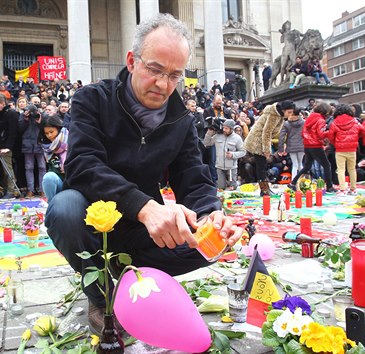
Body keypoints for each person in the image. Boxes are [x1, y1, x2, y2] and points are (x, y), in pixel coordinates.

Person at [44, 14, 243, 334]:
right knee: (64, 209)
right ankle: (101, 295)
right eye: (154, 69)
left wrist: (211, 215)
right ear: (132, 61)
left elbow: (193, 176)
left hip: (144, 231)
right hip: (94, 219)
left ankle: (127, 273)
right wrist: (144, 207)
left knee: (210, 245)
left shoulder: (180, 120)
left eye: (175, 75)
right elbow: (83, 163)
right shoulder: (93, 99)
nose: (163, 84)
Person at [244, 100, 296, 195]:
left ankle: (265, 189)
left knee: (262, 166)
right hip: (257, 141)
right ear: (283, 110)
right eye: (289, 112)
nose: (290, 115)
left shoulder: (278, 114)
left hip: (261, 141)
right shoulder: (274, 115)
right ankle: (264, 190)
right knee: (261, 167)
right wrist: (267, 150)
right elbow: (266, 133)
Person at [288, 102, 337, 192]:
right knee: (327, 165)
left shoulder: (309, 118)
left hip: (307, 145)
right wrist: (330, 132)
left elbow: (303, 132)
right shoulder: (321, 120)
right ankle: (329, 186)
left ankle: (293, 183)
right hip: (316, 145)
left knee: (307, 167)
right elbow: (321, 134)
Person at [327, 104, 364, 194]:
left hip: (340, 149)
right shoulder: (355, 121)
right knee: (352, 169)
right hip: (352, 148)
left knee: (340, 169)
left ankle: (342, 189)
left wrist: (335, 143)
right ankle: (353, 188)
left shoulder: (335, 122)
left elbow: (330, 135)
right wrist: (356, 138)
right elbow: (362, 130)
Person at [203, 119, 246, 190]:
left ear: (231, 129)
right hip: (219, 167)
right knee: (221, 188)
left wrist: (233, 155)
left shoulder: (237, 138)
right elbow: (206, 143)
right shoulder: (217, 136)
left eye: (226, 128)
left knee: (232, 188)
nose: (224, 130)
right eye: (223, 127)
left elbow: (243, 152)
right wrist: (209, 133)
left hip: (231, 168)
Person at [41, 115, 68, 202]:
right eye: (46, 133)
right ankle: (52, 205)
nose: (49, 135)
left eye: (51, 132)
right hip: (57, 182)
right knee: (48, 177)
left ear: (58, 129)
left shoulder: (71, 141)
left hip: (73, 183)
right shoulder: (47, 147)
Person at [278, 108, 305, 180]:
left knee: (295, 164)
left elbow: (281, 136)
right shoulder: (303, 122)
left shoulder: (286, 123)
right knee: (300, 163)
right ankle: (302, 182)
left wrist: (280, 148)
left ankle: (293, 182)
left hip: (291, 146)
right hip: (301, 145)